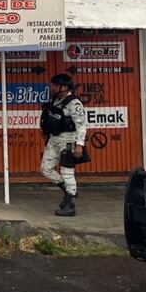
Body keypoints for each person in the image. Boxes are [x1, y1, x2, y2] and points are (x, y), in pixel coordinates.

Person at [39, 73, 88, 217]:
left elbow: (81, 125)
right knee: (45, 168)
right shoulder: (55, 100)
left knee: (67, 172)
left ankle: (69, 204)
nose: (52, 87)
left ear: (65, 87)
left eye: (55, 85)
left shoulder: (74, 103)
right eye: (52, 84)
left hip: (68, 141)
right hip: (54, 140)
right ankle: (69, 190)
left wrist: (79, 145)